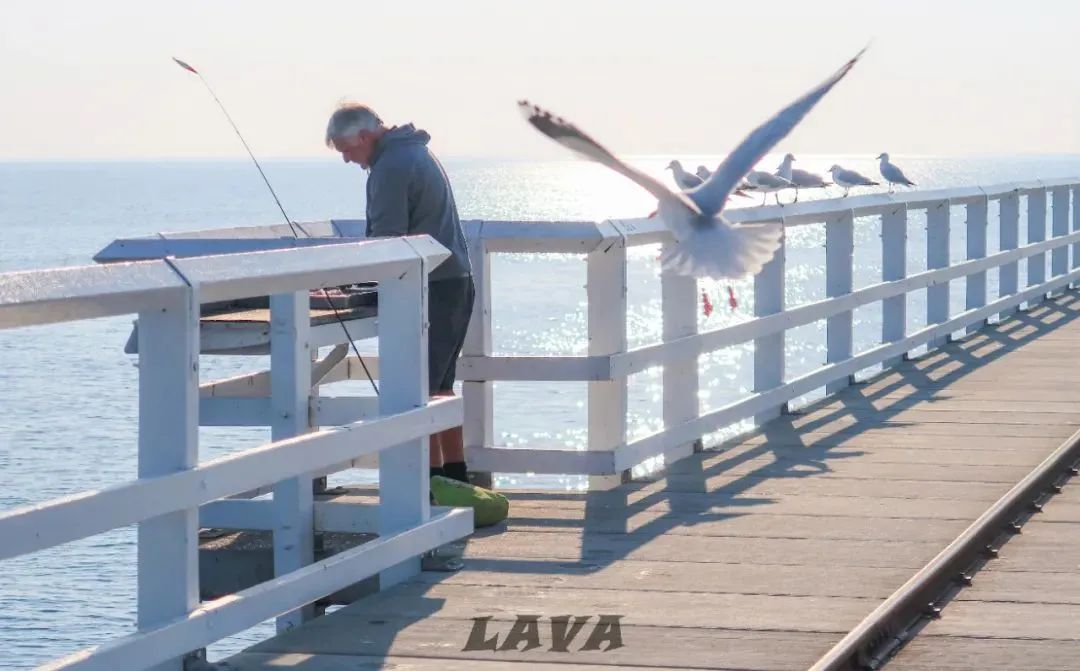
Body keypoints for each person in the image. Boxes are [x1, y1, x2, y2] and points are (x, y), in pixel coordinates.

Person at [325, 103, 474, 485]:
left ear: (364, 136)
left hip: (429, 289)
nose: (346, 159)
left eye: (346, 149)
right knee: (439, 387)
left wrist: (353, 282)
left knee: (416, 393)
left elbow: (387, 243)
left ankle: (423, 486)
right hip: (453, 282)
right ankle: (453, 481)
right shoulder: (415, 151)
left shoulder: (390, 167)